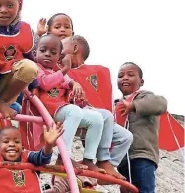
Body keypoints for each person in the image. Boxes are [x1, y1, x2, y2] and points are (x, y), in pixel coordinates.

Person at [61, 35, 133, 179]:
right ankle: (102, 159)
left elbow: (104, 95)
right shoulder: (59, 69)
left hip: (92, 114)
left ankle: (106, 166)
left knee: (126, 136)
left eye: (61, 47)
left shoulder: (97, 71)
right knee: (103, 115)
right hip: (73, 114)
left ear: (75, 49)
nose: (59, 51)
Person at [35, 34, 104, 171]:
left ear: (59, 57)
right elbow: (44, 84)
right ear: (35, 52)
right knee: (74, 111)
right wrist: (65, 69)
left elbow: (67, 82)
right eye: (43, 51)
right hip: (48, 109)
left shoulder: (57, 70)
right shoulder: (35, 67)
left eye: (53, 53)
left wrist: (74, 84)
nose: (48, 54)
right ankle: (63, 157)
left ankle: (89, 159)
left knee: (97, 118)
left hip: (61, 108)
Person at [115, 62, 167, 193]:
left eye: (130, 75)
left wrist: (133, 106)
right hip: (122, 160)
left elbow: (161, 104)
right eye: (121, 76)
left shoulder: (145, 96)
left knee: (145, 188)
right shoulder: (116, 104)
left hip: (142, 155)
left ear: (141, 81)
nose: (125, 77)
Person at [0, 124, 63, 192]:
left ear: (22, 148)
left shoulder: (27, 156)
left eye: (17, 141)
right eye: (6, 141)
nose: (11, 144)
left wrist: (48, 145)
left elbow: (42, 159)